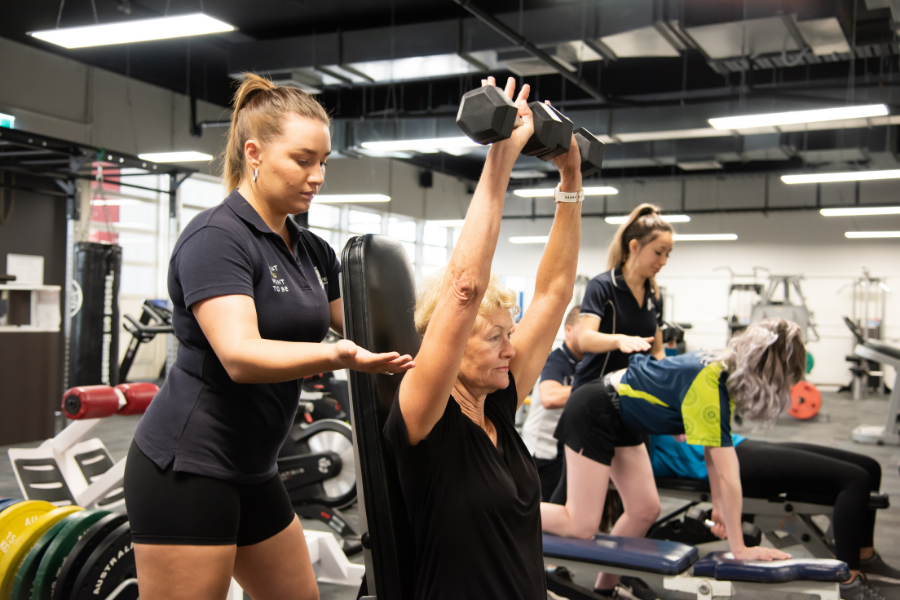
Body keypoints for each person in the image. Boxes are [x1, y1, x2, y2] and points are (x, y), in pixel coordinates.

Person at [124, 74, 414, 600]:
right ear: (253, 153)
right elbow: (240, 355)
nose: (318, 176)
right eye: (303, 160)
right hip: (188, 467)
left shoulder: (312, 250)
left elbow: (375, 329)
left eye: (323, 161)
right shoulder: (218, 238)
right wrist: (336, 356)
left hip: (255, 468)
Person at [383, 76, 583, 600]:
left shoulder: (499, 403)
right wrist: (500, 162)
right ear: (449, 344)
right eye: (495, 337)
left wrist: (570, 179)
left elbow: (556, 293)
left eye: (509, 335)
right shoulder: (425, 413)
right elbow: (465, 289)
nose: (511, 349)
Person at [543, 318, 804, 597]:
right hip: (594, 409)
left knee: (644, 509)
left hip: (623, 417)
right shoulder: (712, 381)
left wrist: (718, 503)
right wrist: (739, 548)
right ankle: (498, 509)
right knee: (581, 524)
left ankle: (604, 591)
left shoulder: (724, 373)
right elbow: (730, 474)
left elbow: (711, 450)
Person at [650, 434, 900, 600]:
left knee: (870, 466)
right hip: (729, 463)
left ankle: (865, 556)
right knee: (856, 479)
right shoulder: (635, 439)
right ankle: (849, 582)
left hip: (736, 444)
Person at [571, 204, 672, 392]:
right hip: (592, 391)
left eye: (668, 254)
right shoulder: (602, 286)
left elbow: (657, 350)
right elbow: (585, 339)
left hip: (630, 393)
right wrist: (618, 340)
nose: (664, 261)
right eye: (658, 252)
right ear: (634, 246)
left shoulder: (655, 296)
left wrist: (670, 378)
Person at [522, 304, 584, 500]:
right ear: (568, 330)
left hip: (566, 448)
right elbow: (550, 398)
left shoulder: (587, 363)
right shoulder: (556, 360)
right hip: (542, 450)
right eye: (587, 331)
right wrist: (594, 388)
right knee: (544, 510)